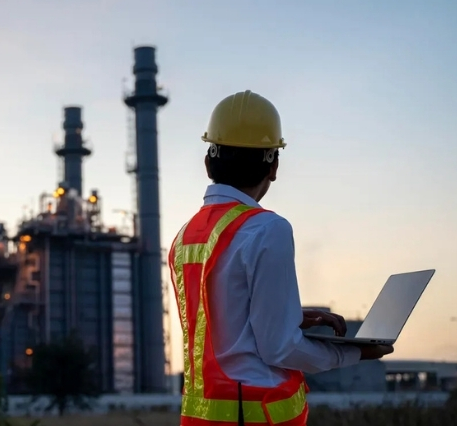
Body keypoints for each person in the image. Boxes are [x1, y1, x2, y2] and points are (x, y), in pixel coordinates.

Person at [169, 90, 394, 426]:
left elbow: (223, 320)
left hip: (200, 417)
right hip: (259, 415)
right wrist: (354, 352)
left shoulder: (185, 236)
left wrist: (292, 316)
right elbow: (279, 348)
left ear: (207, 163)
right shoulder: (266, 229)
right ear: (273, 167)